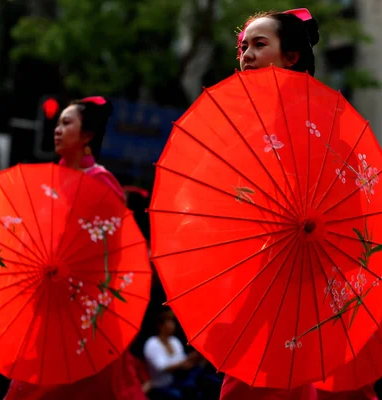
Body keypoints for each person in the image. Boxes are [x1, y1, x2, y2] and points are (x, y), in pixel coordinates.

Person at [3, 96, 149, 399]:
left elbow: (112, 247)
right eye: (57, 123)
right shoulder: (49, 181)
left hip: (85, 312)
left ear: (87, 136)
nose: (57, 129)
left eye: (67, 123)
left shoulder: (100, 181)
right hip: (48, 300)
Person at [218, 8, 321, 400]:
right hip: (249, 284)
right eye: (243, 46)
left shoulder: (311, 121)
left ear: (291, 56)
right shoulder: (251, 124)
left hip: (286, 290)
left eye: (260, 45)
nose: (246, 54)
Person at [143, 310, 203, 399]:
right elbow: (161, 367)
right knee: (178, 395)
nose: (173, 326)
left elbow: (182, 361)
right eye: (169, 322)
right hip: (161, 385)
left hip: (177, 381)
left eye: (173, 322)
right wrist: (184, 362)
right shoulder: (152, 343)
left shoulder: (174, 341)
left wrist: (192, 358)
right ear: (161, 326)